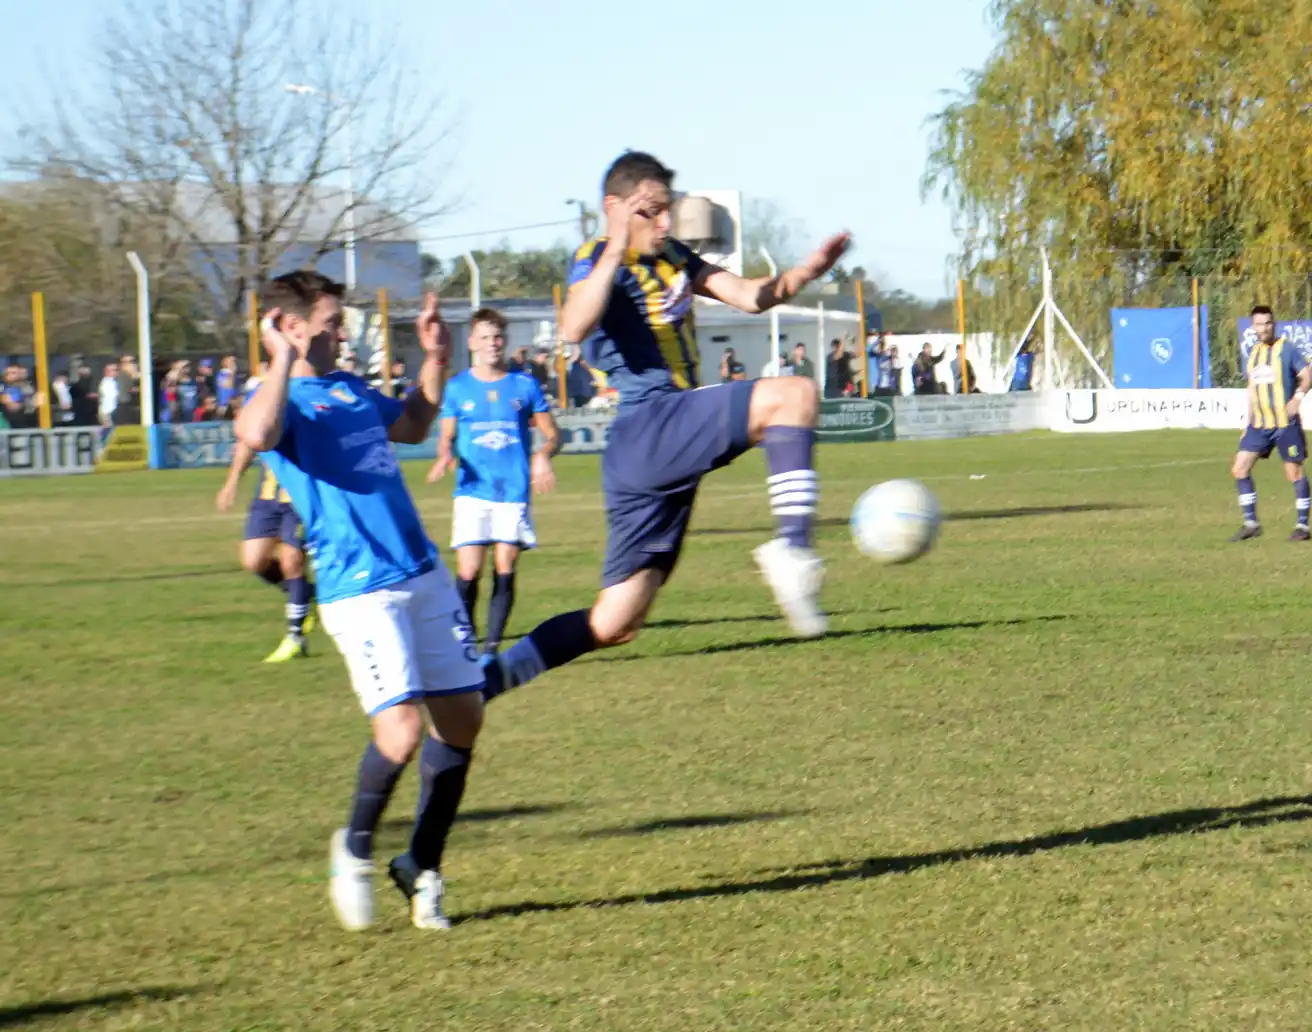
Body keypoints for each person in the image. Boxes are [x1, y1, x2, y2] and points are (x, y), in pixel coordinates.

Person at [486, 150, 850, 700]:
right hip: (651, 421)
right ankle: (791, 551)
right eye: (648, 212)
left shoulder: (673, 254)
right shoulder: (595, 258)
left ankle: (481, 683)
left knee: (615, 623)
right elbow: (573, 324)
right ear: (614, 209)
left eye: (666, 211)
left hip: (650, 446)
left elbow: (750, 296)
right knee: (793, 395)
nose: (663, 224)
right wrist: (613, 242)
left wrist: (805, 273)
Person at [234, 271, 487, 932]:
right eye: (330, 323)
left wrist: (435, 360)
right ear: (290, 328)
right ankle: (352, 848)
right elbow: (257, 436)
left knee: (462, 723)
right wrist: (282, 359)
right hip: (358, 589)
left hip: (422, 570)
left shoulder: (347, 388)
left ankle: (422, 865)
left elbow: (413, 422)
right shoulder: (275, 394)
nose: (343, 333)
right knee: (401, 731)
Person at [427, 307, 561, 655]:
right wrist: (445, 453)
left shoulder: (524, 385)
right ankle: (465, 644)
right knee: (469, 569)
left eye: (498, 337)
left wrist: (543, 455)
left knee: (505, 565)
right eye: (485, 337)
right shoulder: (457, 388)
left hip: (512, 490)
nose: (492, 344)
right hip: (472, 490)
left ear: (506, 341)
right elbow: (446, 436)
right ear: (472, 342)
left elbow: (553, 435)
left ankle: (491, 648)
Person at [216, 440, 315, 662]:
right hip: (267, 497)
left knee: (292, 561)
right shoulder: (266, 408)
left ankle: (295, 637)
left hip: (301, 497)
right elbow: (247, 442)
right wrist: (231, 482)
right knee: (253, 561)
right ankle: (304, 594)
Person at [1230, 304, 1312, 542]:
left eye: (1268, 323)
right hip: (1258, 425)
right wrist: (1247, 422)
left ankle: (1302, 526)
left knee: (1294, 472)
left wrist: (1297, 398)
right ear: (1252, 326)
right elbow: (1252, 388)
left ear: (1273, 324)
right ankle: (1251, 523)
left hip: (1285, 424)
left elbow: (1306, 375)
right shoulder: (1253, 353)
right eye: (1259, 324)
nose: (1264, 328)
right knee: (1239, 468)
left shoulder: (1286, 349)